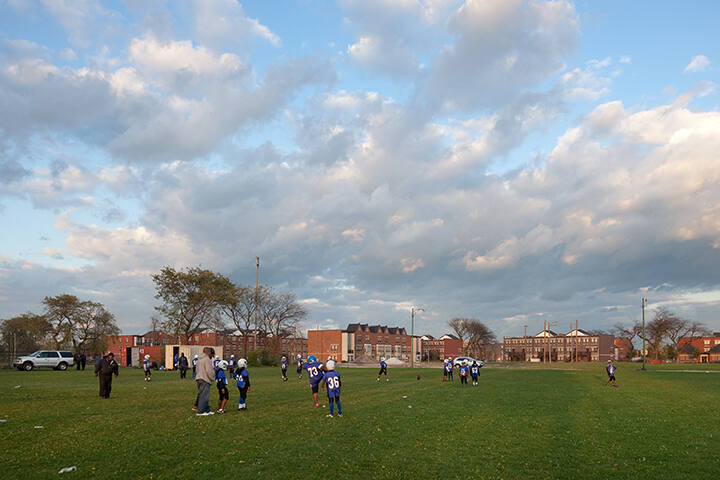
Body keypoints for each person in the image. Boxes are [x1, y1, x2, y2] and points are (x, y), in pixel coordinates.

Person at [194, 347, 215, 416]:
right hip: (204, 379)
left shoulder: (199, 360)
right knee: (204, 396)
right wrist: (212, 378)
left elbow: (196, 370)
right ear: (208, 352)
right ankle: (201, 411)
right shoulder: (207, 360)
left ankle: (207, 410)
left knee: (203, 395)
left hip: (199, 378)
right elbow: (209, 371)